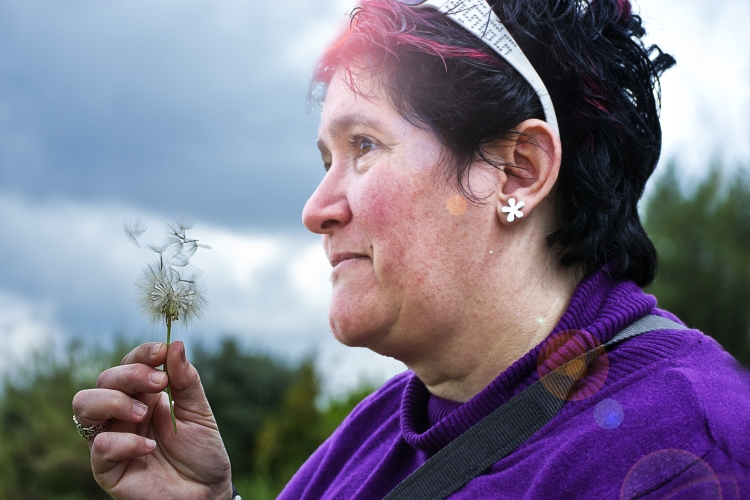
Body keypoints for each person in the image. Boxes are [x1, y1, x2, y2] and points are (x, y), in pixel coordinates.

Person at [72, 0, 750, 498]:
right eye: (325, 159)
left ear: (517, 170)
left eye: (363, 146)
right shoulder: (369, 441)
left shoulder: (691, 450)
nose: (316, 210)